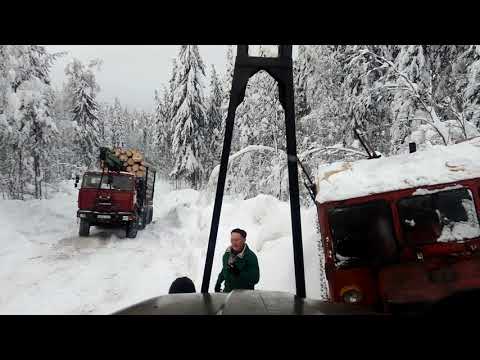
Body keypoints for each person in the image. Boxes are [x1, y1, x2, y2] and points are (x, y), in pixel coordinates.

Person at [214, 228, 260, 293]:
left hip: (243, 296)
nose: (234, 243)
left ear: (244, 240)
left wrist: (239, 274)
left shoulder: (250, 257)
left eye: (237, 240)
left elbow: (255, 279)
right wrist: (218, 282)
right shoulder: (227, 253)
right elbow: (225, 269)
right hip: (227, 292)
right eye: (232, 240)